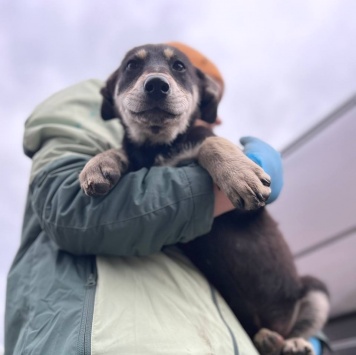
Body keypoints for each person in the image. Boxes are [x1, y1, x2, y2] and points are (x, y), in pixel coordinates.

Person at [4, 42, 321, 355]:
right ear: (111, 98)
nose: (158, 78)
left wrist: (220, 151)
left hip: (283, 306)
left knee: (317, 292)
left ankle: (299, 338)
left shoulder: (203, 139)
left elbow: (206, 151)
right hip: (106, 329)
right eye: (135, 67)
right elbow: (75, 206)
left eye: (177, 69)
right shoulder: (85, 111)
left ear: (201, 98)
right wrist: (116, 158)